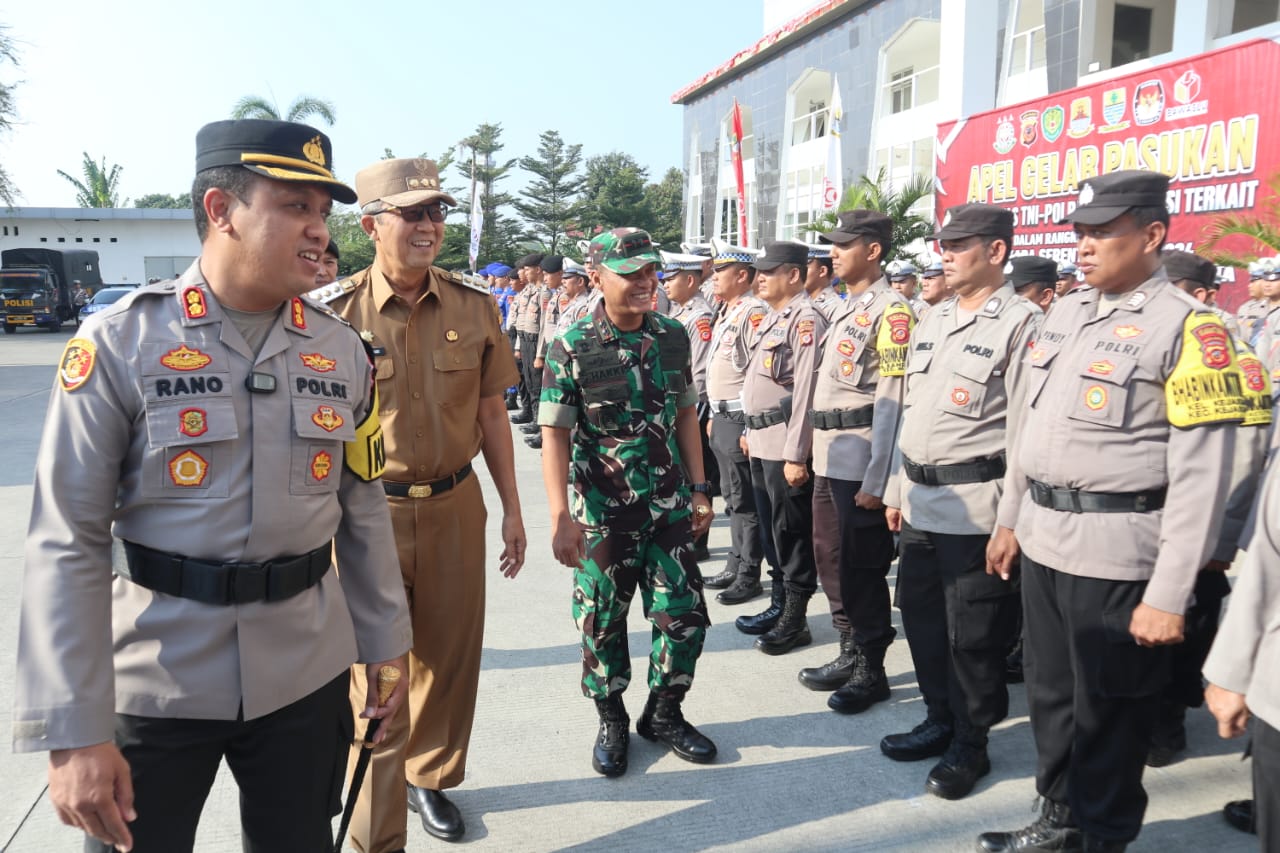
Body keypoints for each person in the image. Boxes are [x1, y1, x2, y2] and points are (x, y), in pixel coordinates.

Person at [13, 119, 412, 853]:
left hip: (303, 671)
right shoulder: (121, 342)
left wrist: (388, 645)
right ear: (221, 209)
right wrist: (72, 728)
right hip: (156, 675)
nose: (319, 230)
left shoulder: (344, 352)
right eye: (295, 206)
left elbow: (361, 505)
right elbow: (65, 538)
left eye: (323, 212)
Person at [982, 171, 1245, 852]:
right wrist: (1009, 518)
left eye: (1102, 232)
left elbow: (1202, 478)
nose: (1085, 246)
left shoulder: (1192, 330)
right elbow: (1029, 429)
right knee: (1052, 697)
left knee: (1111, 713)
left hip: (1119, 554)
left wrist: (1169, 593)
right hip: (1043, 538)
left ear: (1152, 234)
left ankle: (1101, 836)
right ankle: (1059, 819)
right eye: (1081, 232)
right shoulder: (1066, 312)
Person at [324, 156, 525, 852]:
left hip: (454, 505)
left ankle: (429, 775)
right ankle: (375, 822)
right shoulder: (331, 315)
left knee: (448, 656)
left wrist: (513, 510)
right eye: (411, 213)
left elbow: (493, 413)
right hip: (365, 514)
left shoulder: (475, 306)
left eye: (437, 212)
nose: (429, 225)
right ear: (370, 225)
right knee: (375, 673)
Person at [539, 227, 716, 778]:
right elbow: (555, 435)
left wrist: (700, 488)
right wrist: (560, 517)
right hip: (603, 515)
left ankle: (664, 712)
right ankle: (611, 717)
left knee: (684, 616)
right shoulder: (573, 344)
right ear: (596, 277)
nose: (645, 282)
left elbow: (686, 413)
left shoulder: (672, 335)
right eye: (630, 273)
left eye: (651, 271)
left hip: (668, 508)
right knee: (601, 623)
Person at [880, 204, 1039, 802]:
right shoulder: (934, 315)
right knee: (921, 619)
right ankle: (938, 717)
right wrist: (896, 489)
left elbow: (1025, 433)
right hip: (921, 499)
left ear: (996, 251)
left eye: (958, 245)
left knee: (972, 632)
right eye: (942, 245)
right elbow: (911, 411)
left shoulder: (1021, 323)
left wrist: (1011, 522)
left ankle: (972, 741)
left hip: (977, 507)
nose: (944, 255)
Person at [801, 211, 912, 716]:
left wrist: (880, 478)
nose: (833, 253)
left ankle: (872, 667)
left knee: (862, 566)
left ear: (873, 250)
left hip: (862, 459)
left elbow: (893, 400)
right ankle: (848, 647)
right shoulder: (850, 308)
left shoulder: (893, 312)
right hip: (831, 455)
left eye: (844, 245)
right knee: (830, 557)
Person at [739, 241, 828, 655]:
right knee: (772, 530)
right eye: (758, 271)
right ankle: (778, 605)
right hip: (761, 439)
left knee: (791, 533)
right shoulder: (775, 317)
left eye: (768, 272)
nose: (759, 279)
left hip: (784, 443)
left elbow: (807, 388)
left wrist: (796, 453)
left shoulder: (806, 319)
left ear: (793, 275)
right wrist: (748, 429)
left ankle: (795, 618)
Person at [702, 241, 773, 605]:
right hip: (722, 415)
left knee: (746, 499)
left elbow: (756, 374)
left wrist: (748, 426)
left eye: (720, 271)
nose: (713, 277)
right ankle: (734, 563)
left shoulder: (753, 312)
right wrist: (713, 414)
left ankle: (749, 573)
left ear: (742, 276)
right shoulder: (728, 310)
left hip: (739, 416)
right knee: (732, 497)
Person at [512, 253, 546, 428]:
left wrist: (540, 353)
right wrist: (518, 346)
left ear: (538, 269)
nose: (523, 273)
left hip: (536, 342)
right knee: (529, 380)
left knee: (537, 383)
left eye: (527, 269)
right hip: (525, 339)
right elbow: (522, 322)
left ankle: (539, 422)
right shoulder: (529, 291)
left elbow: (545, 326)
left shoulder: (544, 292)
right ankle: (532, 416)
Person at [803, 244, 844, 321]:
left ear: (822, 271)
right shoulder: (805, 301)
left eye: (805, 269)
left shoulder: (835, 307)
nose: (799, 274)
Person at [914, 254, 947, 318]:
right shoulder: (917, 310)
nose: (924, 284)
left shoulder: (959, 310)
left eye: (930, 279)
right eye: (924, 278)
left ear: (948, 282)